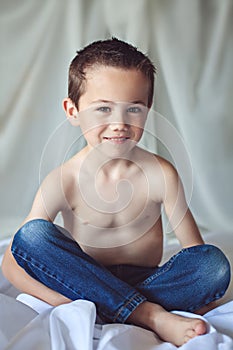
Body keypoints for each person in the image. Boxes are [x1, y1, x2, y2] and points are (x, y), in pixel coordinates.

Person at [1, 38, 231, 347]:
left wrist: (203, 288)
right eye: (103, 109)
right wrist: (64, 302)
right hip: (82, 280)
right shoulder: (64, 179)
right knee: (32, 235)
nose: (119, 124)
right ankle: (151, 315)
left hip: (148, 281)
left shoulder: (160, 174)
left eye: (133, 109)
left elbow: (196, 253)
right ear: (73, 110)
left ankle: (115, 309)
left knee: (213, 264)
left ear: (148, 109)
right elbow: (14, 260)